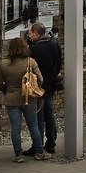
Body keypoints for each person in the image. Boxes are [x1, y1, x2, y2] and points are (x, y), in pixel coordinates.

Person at [0, 37, 48, 163]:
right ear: (24, 47)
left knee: (15, 128)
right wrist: (35, 88)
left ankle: (18, 155)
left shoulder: (3, 63)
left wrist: (6, 90)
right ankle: (40, 152)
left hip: (11, 98)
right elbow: (40, 79)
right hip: (28, 98)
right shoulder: (31, 62)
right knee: (33, 125)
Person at [24, 22, 62, 155]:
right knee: (49, 114)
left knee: (39, 116)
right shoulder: (54, 44)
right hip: (50, 85)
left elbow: (31, 69)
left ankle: (37, 145)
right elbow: (59, 64)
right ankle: (51, 143)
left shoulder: (35, 49)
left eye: (30, 33)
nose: (29, 35)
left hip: (38, 87)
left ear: (35, 33)